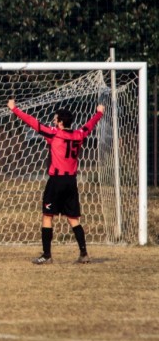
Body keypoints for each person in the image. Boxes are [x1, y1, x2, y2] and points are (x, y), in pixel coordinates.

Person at [7, 99, 104, 264]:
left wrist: (14, 109)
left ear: (60, 122)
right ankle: (84, 254)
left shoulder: (54, 133)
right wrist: (99, 113)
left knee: (47, 216)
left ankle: (46, 255)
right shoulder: (79, 135)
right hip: (71, 181)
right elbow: (89, 125)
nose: (53, 120)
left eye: (55, 118)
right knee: (73, 219)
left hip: (56, 181)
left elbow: (33, 122)